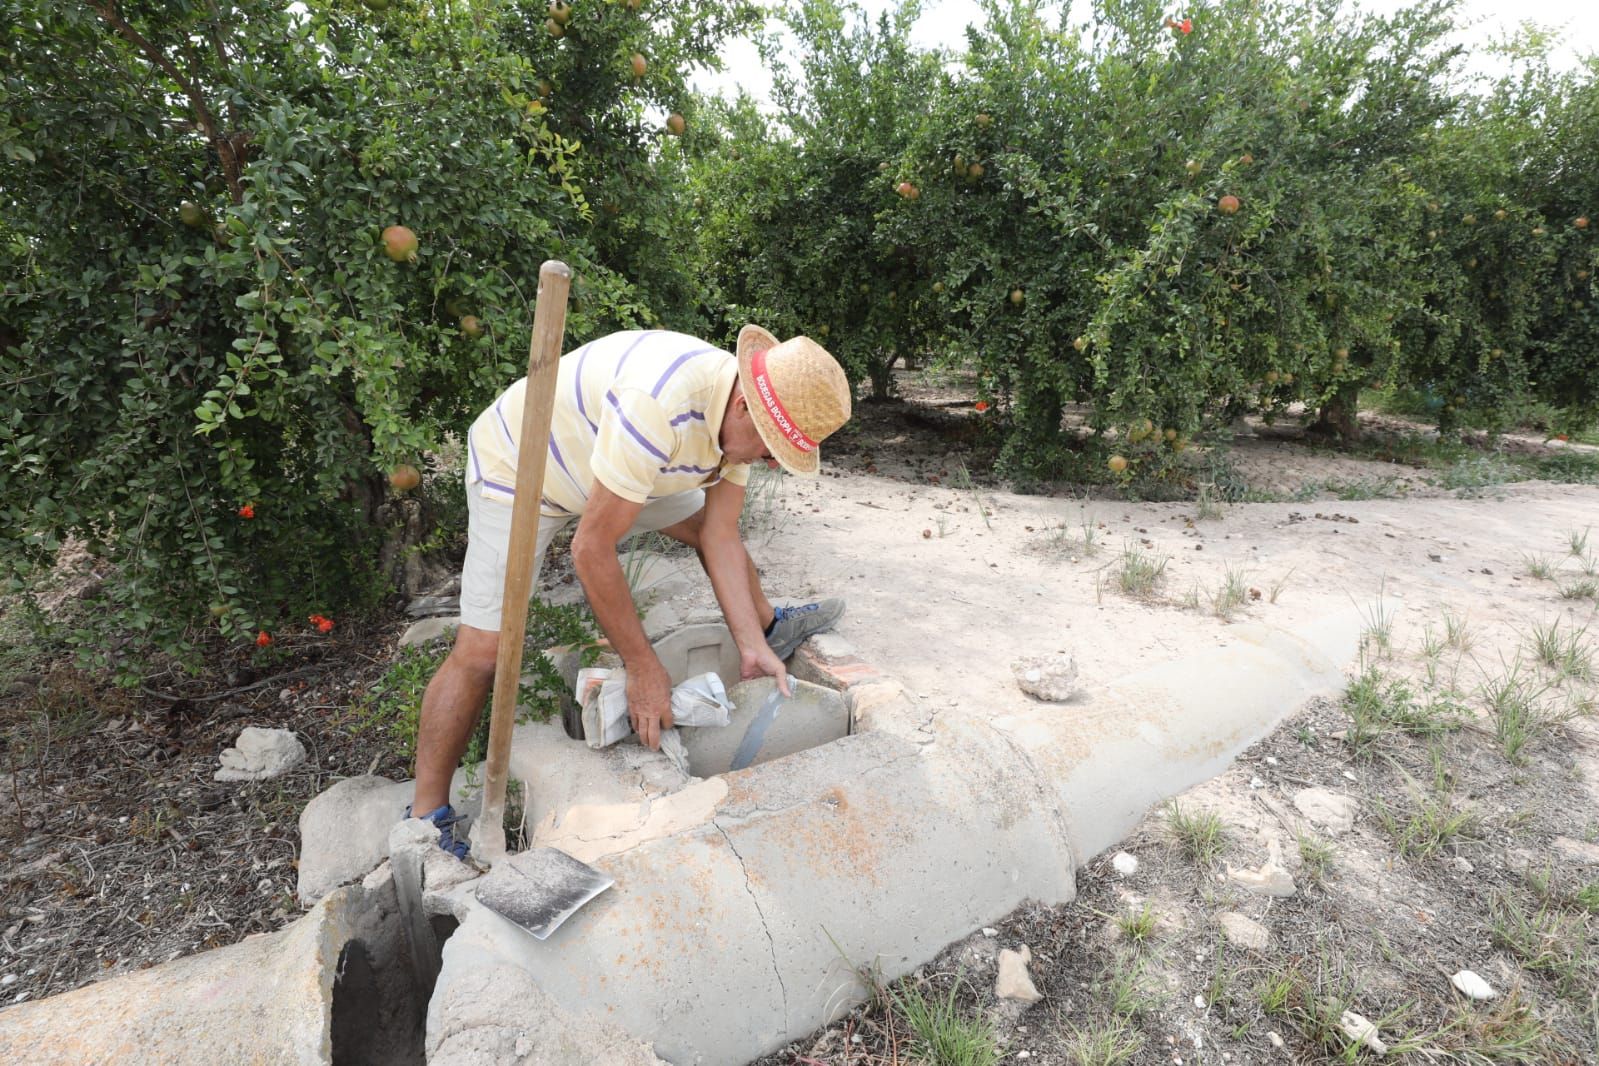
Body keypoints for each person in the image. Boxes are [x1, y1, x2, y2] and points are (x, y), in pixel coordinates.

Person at [408, 324, 852, 857]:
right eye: (771, 450)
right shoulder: (659, 403)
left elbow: (720, 534)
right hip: (524, 467)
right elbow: (591, 549)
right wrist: (643, 669)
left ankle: (768, 633)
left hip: (620, 467)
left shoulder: (739, 421)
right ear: (743, 407)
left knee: (710, 537)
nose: (771, 463)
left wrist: (747, 645)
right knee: (483, 651)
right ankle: (425, 815)